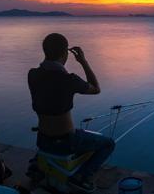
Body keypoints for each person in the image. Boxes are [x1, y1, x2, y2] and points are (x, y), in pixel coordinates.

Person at [28, 33, 115, 193]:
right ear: (65, 53)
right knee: (108, 143)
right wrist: (83, 61)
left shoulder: (32, 75)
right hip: (67, 141)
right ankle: (82, 177)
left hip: (42, 140)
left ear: (45, 51)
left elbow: (48, 89)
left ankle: (39, 165)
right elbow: (96, 89)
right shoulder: (69, 80)